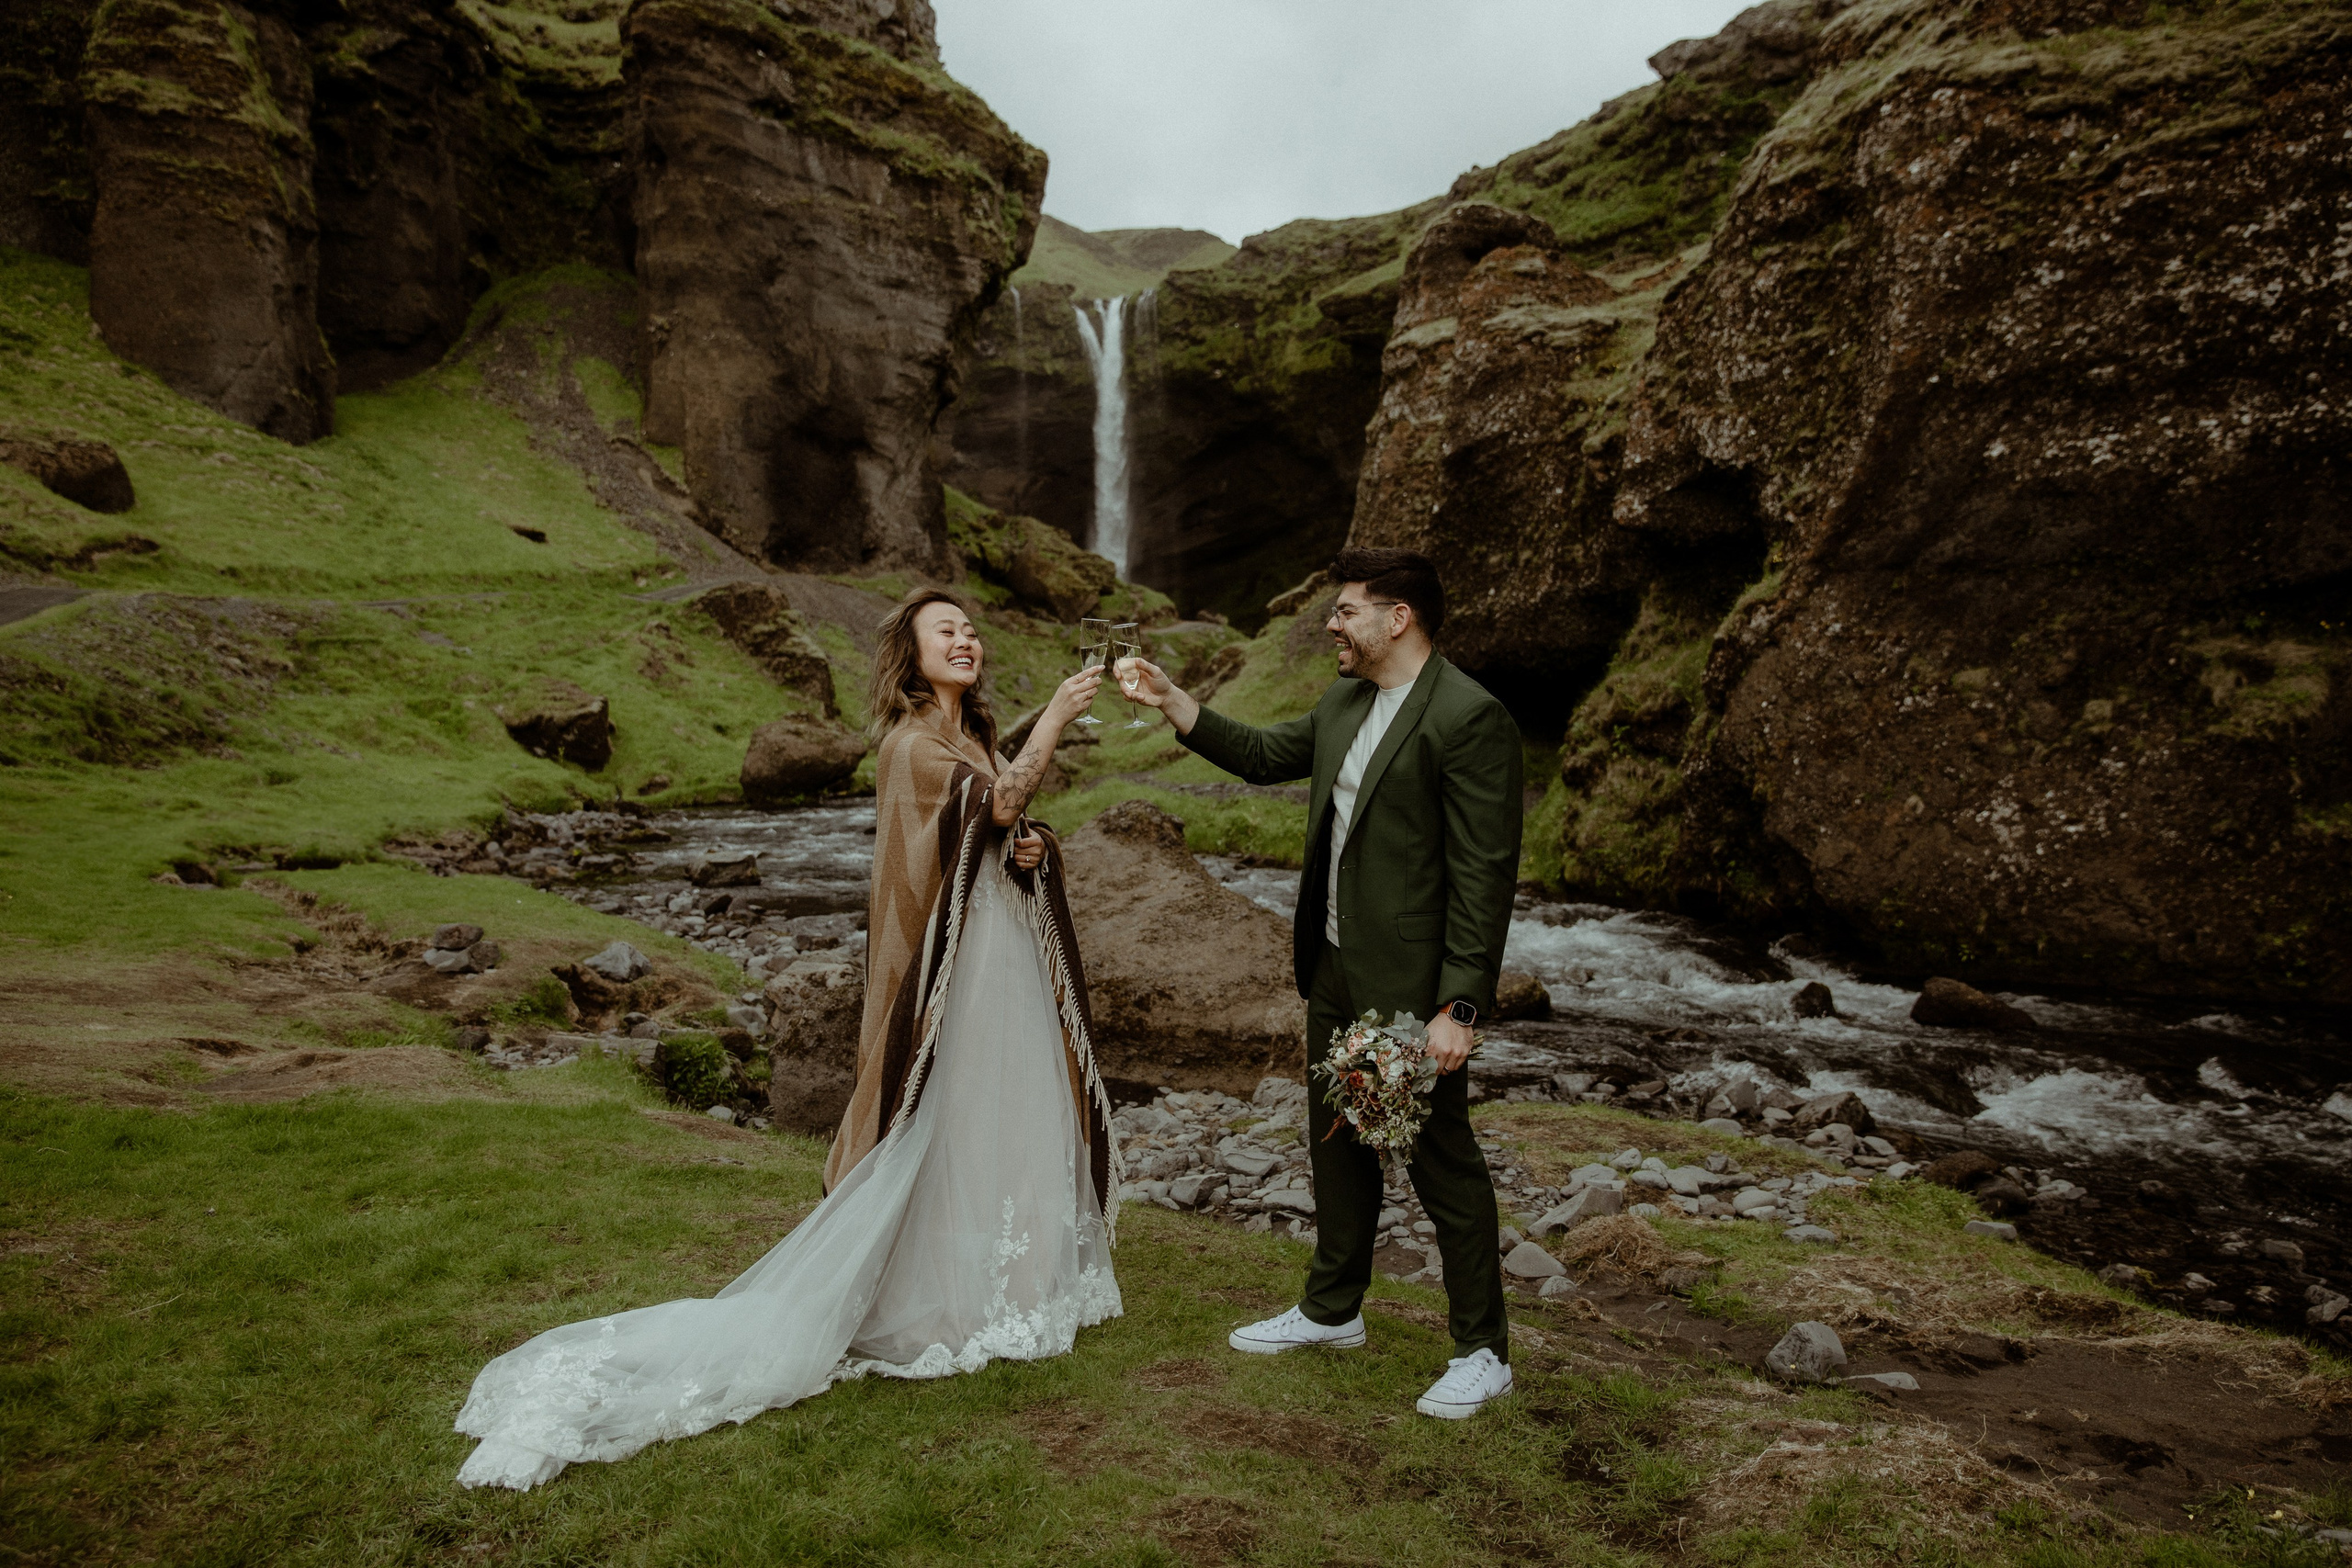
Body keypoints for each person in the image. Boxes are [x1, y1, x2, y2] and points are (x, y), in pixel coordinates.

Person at [452, 589, 1121, 1489]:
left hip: (1000, 956)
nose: (965, 639)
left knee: (998, 1118)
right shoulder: (910, 744)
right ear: (911, 654)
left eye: (970, 630)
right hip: (955, 977)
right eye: (945, 631)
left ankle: (1005, 1288)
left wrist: (1033, 849)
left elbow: (1000, 826)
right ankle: (938, 1301)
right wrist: (1059, 722)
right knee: (951, 1119)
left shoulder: (972, 735)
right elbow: (995, 805)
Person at [1120, 546, 1521, 1420]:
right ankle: (1333, 1309)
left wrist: (1458, 1005)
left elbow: (1484, 874)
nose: (1331, 624)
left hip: (1412, 987)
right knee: (1337, 1143)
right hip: (1333, 968)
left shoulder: (1469, 716)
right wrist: (1173, 701)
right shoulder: (1345, 701)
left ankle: (1483, 1351)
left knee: (1442, 1163)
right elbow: (1264, 754)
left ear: (1397, 618)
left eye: (1346, 610)